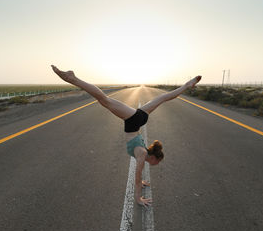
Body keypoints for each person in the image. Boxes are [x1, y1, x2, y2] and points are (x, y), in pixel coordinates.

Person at [51, 65, 201, 206]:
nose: (157, 164)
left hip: (138, 118)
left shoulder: (143, 153)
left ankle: (187, 85)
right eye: (158, 162)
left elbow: (138, 178)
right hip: (133, 119)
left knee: (162, 98)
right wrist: (138, 198)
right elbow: (136, 177)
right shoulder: (142, 154)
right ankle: (73, 79)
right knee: (105, 100)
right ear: (153, 158)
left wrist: (141, 183)